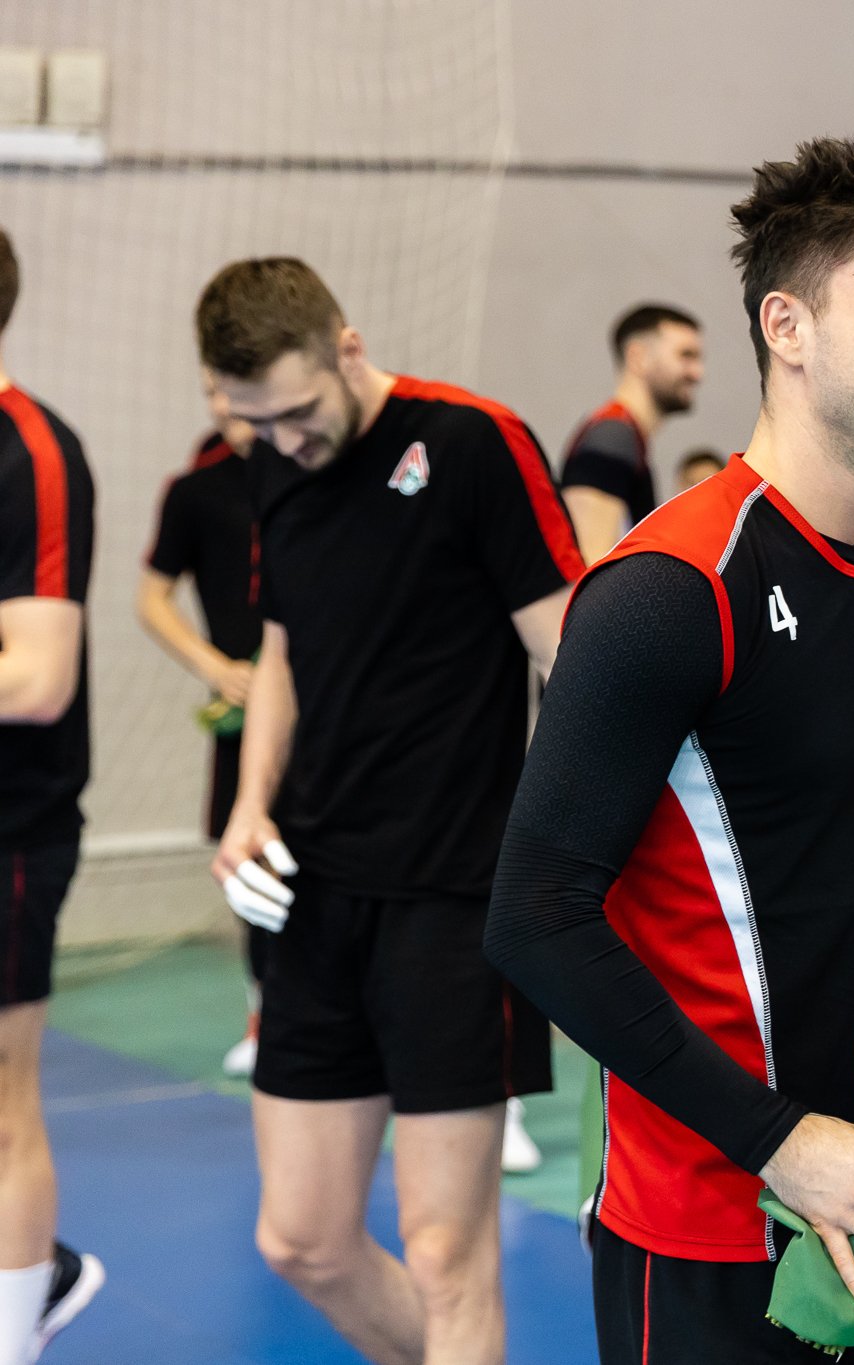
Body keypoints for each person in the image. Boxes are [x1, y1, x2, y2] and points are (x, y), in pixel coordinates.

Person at [486, 137, 854, 1364]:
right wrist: (779, 1140)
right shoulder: (667, 589)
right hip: (712, 1231)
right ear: (786, 326)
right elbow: (534, 916)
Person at [199, 256, 581, 1365]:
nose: (285, 439)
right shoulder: (273, 464)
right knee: (302, 1241)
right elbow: (280, 651)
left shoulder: (472, 443)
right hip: (316, 897)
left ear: (349, 348)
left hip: (455, 902)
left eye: (299, 411)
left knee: (446, 1254)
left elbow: (571, 653)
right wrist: (249, 807)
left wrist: (578, 846)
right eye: (257, 421)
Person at [0, 225, 104, 1364]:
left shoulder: (31, 453)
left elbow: (35, 678)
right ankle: (44, 1270)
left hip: (9, 828)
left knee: (1, 1099)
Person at [137, 380, 269, 1078]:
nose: (225, 401)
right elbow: (151, 598)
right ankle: (263, 1012)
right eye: (213, 386)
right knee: (250, 863)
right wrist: (216, 667)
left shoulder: (322, 471)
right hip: (244, 716)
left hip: (328, 714)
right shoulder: (196, 490)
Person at [560, 304, 704, 563]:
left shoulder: (625, 439)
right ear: (638, 357)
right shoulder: (612, 438)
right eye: (686, 355)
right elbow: (587, 566)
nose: (697, 373)